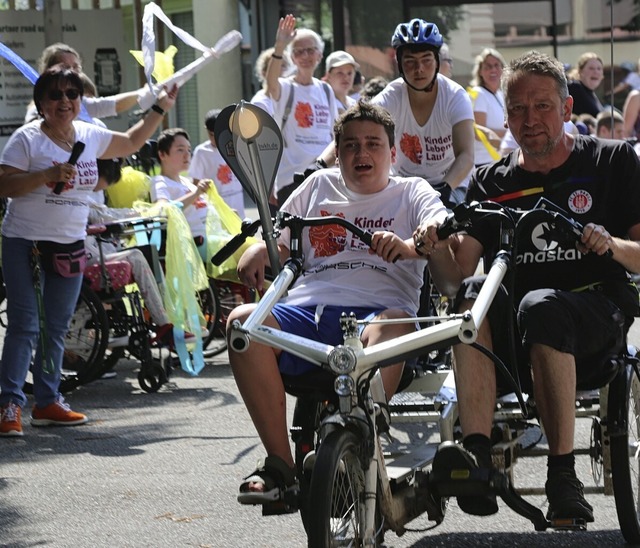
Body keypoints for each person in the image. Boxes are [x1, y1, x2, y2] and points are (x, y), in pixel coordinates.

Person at [419, 50, 640, 522]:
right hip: (514, 340)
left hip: (594, 320)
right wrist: (436, 247)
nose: (529, 119)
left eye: (542, 106)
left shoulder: (612, 160)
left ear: (565, 108)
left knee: (541, 307)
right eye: (517, 108)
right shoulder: (489, 181)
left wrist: (611, 244)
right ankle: (476, 458)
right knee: (469, 304)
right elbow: (454, 276)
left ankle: (563, 476)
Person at [229, 101, 448, 504]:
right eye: (350, 145)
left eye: (372, 144)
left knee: (395, 324)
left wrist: (409, 244)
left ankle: (358, 437)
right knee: (243, 323)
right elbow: (277, 236)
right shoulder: (317, 186)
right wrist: (260, 249)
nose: (361, 154)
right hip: (307, 310)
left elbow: (437, 231)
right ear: (339, 151)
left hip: (379, 313)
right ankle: (280, 465)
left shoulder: (412, 190)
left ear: (393, 153)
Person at [0, 66, 177, 436]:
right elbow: (4, 185)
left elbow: (130, 141)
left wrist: (160, 109)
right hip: (26, 245)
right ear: (41, 104)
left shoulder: (89, 136)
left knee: (57, 327)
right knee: (26, 325)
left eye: (72, 94)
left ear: (80, 101)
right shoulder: (26, 139)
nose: (64, 101)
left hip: (69, 245)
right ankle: (9, 405)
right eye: (55, 95)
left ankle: (47, 402)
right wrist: (44, 177)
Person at [343, 19, 474, 209]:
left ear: (437, 61)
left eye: (426, 60)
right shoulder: (393, 95)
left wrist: (445, 189)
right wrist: (321, 163)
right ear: (400, 65)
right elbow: (354, 124)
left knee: (445, 229)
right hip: (405, 186)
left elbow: (466, 156)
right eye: (410, 61)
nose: (419, 68)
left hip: (449, 184)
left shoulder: (455, 96)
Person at [86, 159, 196, 347]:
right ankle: (163, 324)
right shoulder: (82, 194)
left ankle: (165, 318)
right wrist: (140, 213)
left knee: (149, 253)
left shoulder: (93, 193)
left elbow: (105, 214)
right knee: (136, 255)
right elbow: (102, 216)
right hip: (89, 255)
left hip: (102, 249)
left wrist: (141, 213)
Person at [265, 14, 339, 206]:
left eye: (310, 50)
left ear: (320, 55)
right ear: (292, 58)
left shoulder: (325, 89)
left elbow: (334, 133)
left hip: (324, 176)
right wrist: (280, 45)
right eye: (299, 51)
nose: (305, 56)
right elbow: (271, 84)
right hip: (292, 179)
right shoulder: (286, 87)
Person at [25, 43, 142, 124]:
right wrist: (146, 93)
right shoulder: (35, 112)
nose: (72, 72)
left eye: (76, 67)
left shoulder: (95, 126)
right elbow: (114, 105)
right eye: (65, 67)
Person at [189, 109, 246, 217]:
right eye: (211, 135)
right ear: (206, 130)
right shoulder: (201, 152)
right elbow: (196, 182)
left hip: (237, 202)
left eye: (219, 134)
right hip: (216, 206)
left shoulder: (237, 146)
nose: (215, 138)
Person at [468, 48, 507, 166]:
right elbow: (478, 132)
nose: (493, 70)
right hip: (484, 162)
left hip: (498, 159)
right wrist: (510, 135)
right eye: (488, 67)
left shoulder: (500, 94)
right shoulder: (479, 93)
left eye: (496, 65)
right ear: (480, 71)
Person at [249, 47, 293, 116]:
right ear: (264, 73)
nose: (282, 70)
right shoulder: (260, 103)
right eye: (275, 67)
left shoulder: (293, 97)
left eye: (284, 65)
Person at [567, 52, 605, 117]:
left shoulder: (590, 92)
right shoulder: (575, 88)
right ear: (580, 71)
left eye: (599, 68)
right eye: (591, 68)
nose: (596, 72)